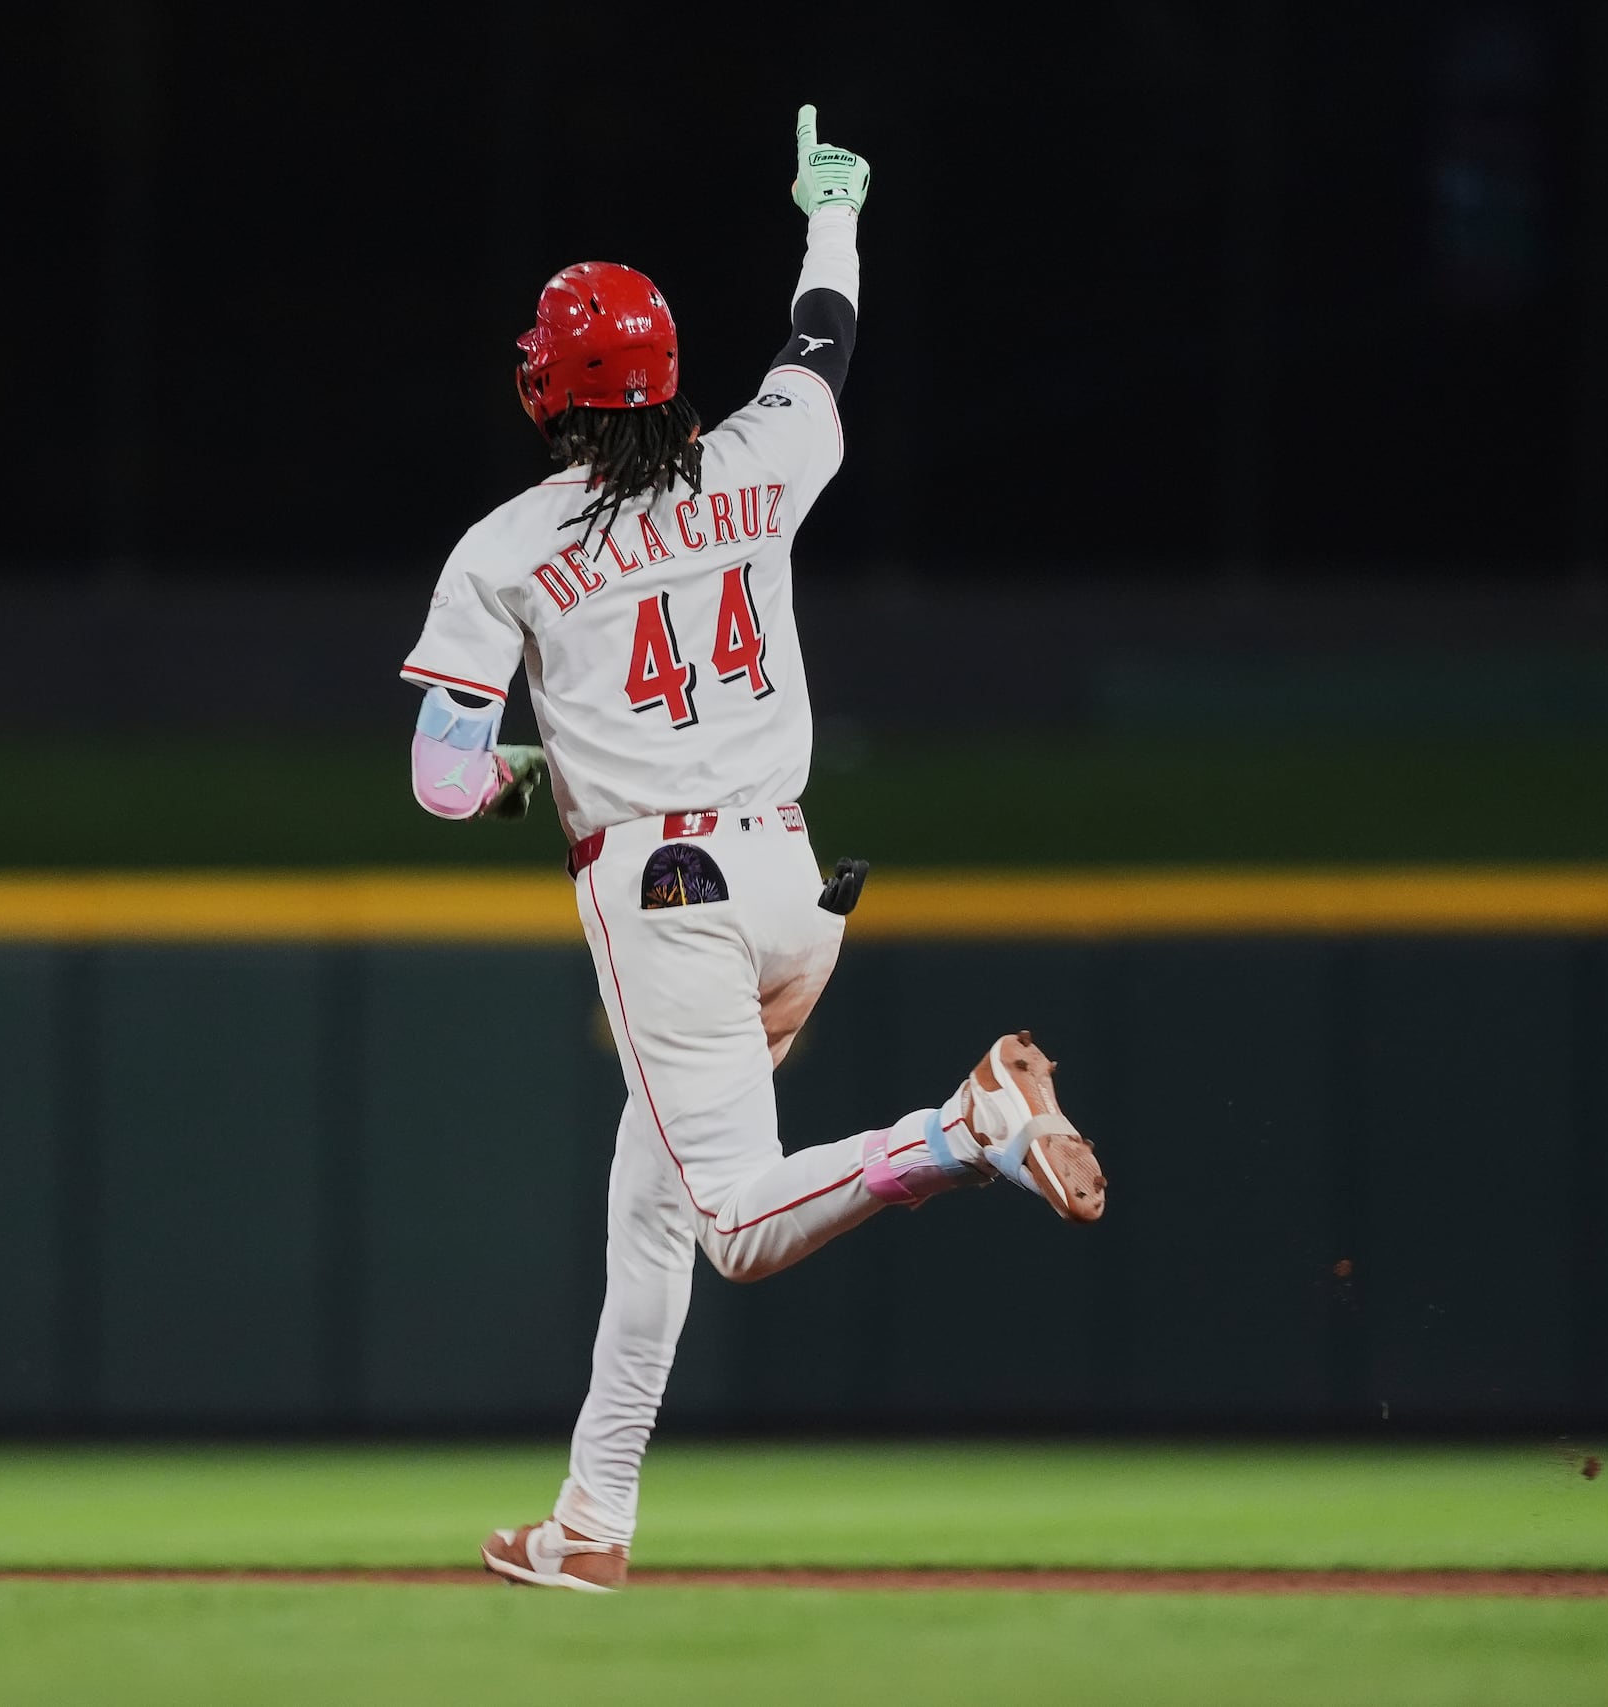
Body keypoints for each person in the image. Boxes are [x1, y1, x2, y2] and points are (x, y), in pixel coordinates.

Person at [397, 106, 1107, 1593]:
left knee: (732, 1226)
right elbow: (823, 338)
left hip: (666, 898)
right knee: (646, 1209)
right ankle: (591, 1527)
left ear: (550, 387)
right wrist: (833, 209)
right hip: (799, 880)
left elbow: (443, 785)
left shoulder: (508, 547)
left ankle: (964, 1129)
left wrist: (529, 767)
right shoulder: (759, 458)